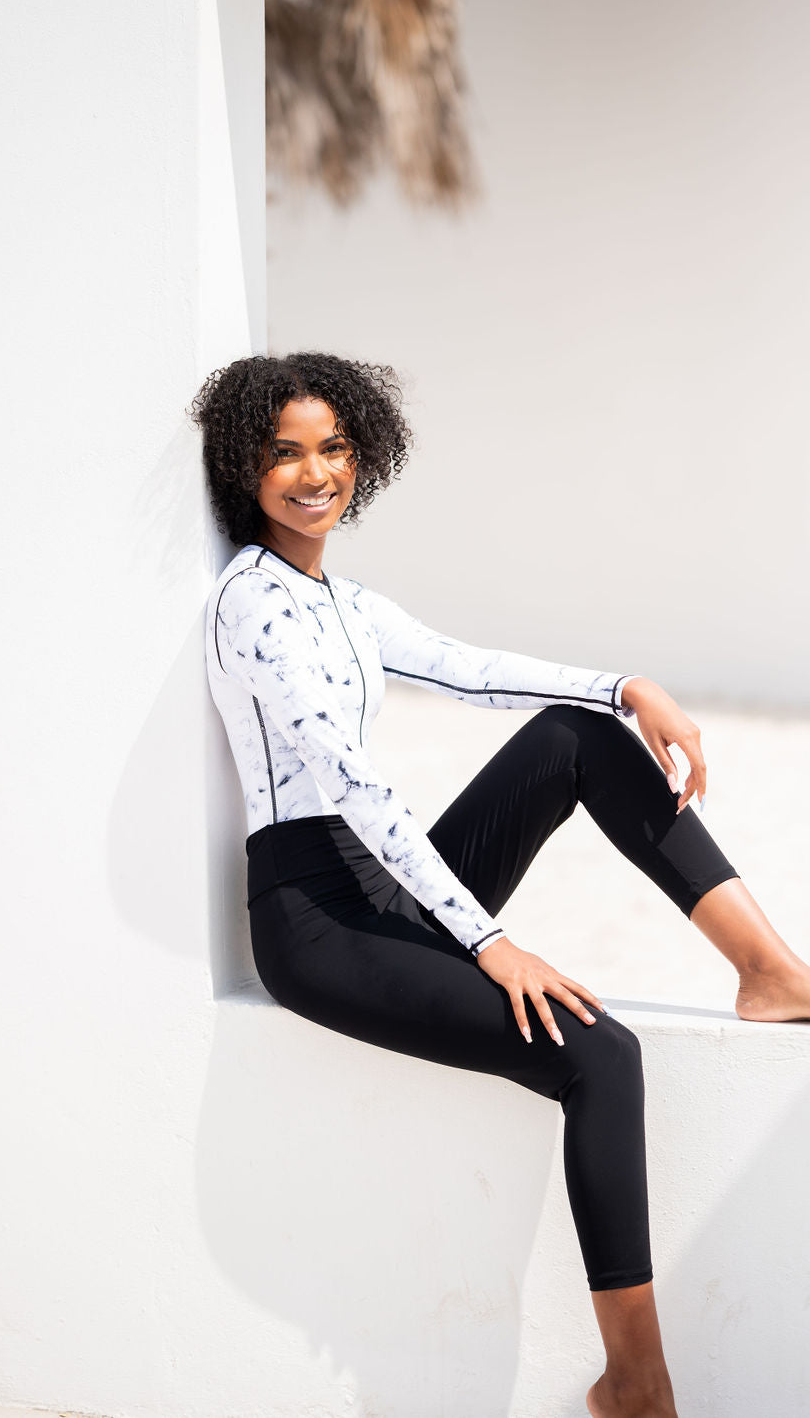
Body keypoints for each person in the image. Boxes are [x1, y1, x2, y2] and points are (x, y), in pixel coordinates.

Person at [190, 350, 810, 1418]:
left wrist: (625, 686)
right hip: (315, 920)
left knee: (577, 738)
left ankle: (769, 972)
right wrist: (491, 942)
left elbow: (471, 671)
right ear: (241, 468)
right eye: (282, 453)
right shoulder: (252, 604)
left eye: (332, 447)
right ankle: (637, 1384)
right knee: (599, 1055)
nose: (311, 473)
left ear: (363, 455)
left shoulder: (340, 601)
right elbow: (355, 790)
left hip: (377, 889)